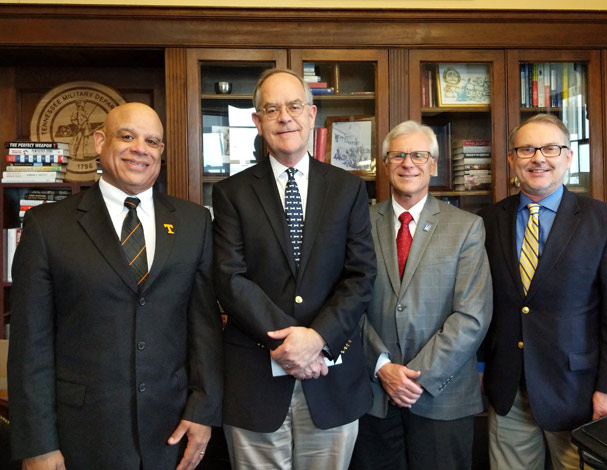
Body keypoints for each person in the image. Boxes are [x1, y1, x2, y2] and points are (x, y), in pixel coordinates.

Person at [8, 102, 223, 470]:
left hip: (171, 434)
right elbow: (31, 345)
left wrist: (203, 412)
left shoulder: (194, 223)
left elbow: (203, 327)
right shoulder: (48, 227)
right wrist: (38, 444)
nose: (141, 148)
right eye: (127, 136)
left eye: (153, 142)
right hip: (81, 436)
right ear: (99, 141)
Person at [212, 68, 376, 470]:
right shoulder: (231, 193)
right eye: (271, 109)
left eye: (294, 106)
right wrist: (290, 346)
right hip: (255, 381)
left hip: (331, 376)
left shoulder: (348, 189)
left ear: (311, 114)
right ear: (257, 121)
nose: (284, 117)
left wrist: (317, 338)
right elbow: (229, 278)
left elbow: (361, 275)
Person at [479, 113, 607, 470]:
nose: (539, 158)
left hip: (580, 396)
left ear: (569, 157)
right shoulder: (487, 221)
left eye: (551, 148)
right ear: (512, 159)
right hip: (509, 393)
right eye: (526, 149)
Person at [350, 120, 493, 470]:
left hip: (442, 397)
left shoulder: (466, 227)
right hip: (372, 396)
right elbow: (347, 303)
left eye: (418, 155)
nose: (408, 163)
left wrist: (416, 378)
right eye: (398, 155)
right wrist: (383, 367)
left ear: (434, 164)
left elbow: (472, 316)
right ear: (385, 164)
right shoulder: (358, 224)